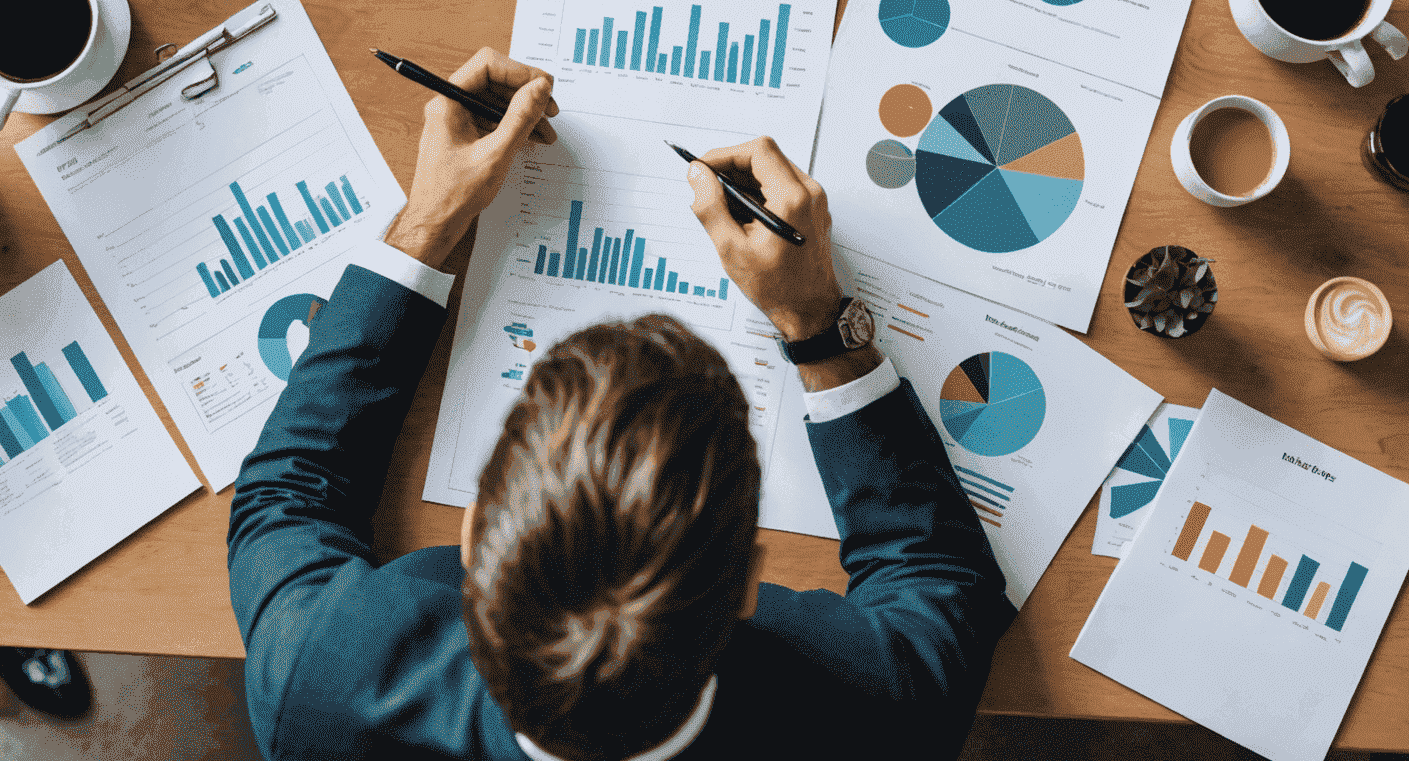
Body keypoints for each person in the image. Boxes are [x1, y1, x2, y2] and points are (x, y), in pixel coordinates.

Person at [227, 49, 1014, 761]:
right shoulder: (881, 713)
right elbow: (938, 578)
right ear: (745, 585)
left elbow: (285, 498)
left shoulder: (322, 682)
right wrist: (818, 327)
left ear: (475, 538)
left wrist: (428, 221)